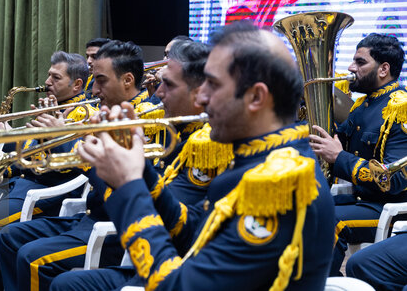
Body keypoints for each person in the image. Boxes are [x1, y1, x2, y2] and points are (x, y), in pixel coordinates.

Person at [76, 23, 335, 290]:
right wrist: (141, 170)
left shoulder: (278, 183)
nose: (201, 97)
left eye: (212, 84)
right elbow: (192, 237)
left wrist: (128, 186)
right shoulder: (257, 158)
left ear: (256, 97)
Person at [49, 39, 234, 291]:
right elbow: (184, 223)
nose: (157, 92)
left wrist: (126, 175)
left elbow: (180, 232)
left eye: (167, 84)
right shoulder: (180, 132)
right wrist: (135, 169)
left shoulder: (205, 143)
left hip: (161, 262)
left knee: (44, 266)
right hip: (142, 244)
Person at [0, 40, 165, 291]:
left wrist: (62, 138)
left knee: (33, 258)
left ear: (127, 80)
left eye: (101, 80)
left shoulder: (146, 117)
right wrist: (48, 136)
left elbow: (117, 185)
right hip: (87, 216)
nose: (93, 90)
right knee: (10, 237)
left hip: (115, 227)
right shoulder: (107, 111)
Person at [0, 51, 96, 291]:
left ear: (77, 84)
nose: (47, 82)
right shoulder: (51, 107)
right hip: (21, 185)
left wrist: (52, 134)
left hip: (48, 192)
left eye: (55, 78)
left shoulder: (82, 114)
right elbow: (28, 153)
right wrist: (4, 147)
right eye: (49, 75)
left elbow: (67, 165)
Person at [310, 33, 407, 276]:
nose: (351, 68)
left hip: (389, 207)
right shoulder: (361, 105)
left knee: (329, 221)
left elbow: (393, 181)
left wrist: (339, 157)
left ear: (384, 69)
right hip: (361, 201)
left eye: (360, 62)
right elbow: (333, 145)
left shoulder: (401, 108)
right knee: (303, 206)